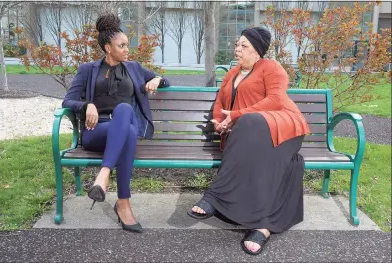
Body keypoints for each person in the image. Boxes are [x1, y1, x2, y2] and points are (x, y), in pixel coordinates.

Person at [187, 27, 310, 255]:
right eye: (237, 44)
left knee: (249, 121)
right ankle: (262, 226)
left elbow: (275, 100)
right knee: (250, 129)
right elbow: (220, 104)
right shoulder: (232, 74)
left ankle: (214, 197)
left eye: (244, 46)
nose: (237, 49)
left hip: (284, 127)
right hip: (246, 135)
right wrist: (219, 122)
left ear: (258, 52)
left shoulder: (272, 68)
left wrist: (236, 116)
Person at [62, 14, 169, 233]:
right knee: (128, 130)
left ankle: (104, 177)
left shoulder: (134, 68)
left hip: (123, 126)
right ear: (108, 48)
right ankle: (123, 204)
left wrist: (157, 79)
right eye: (122, 46)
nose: (127, 50)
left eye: (127, 46)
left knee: (125, 112)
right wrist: (86, 106)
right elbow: (68, 100)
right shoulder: (87, 70)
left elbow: (163, 78)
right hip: (96, 131)